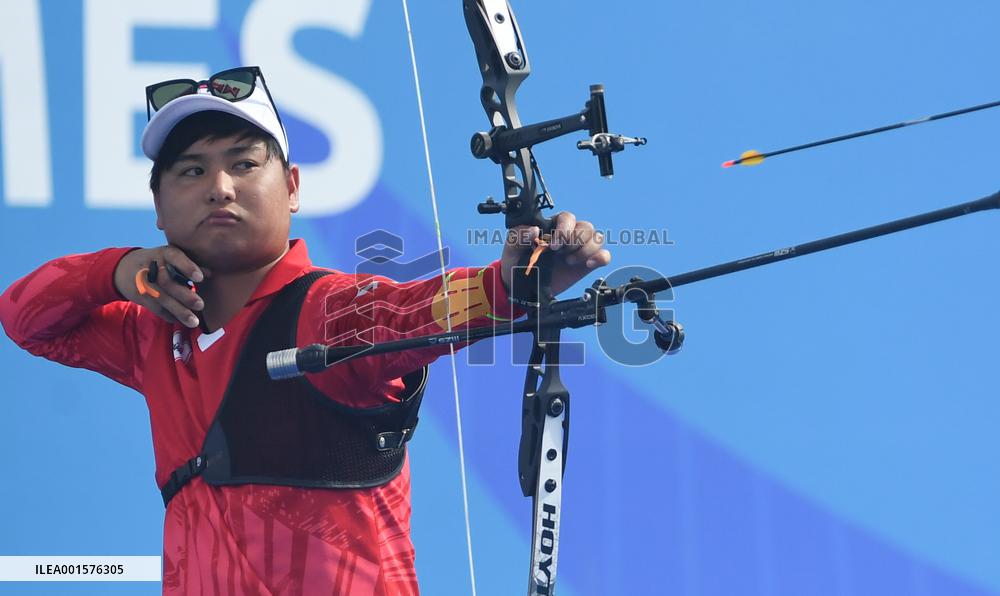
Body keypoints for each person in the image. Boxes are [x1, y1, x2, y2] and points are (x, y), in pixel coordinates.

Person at [0, 66, 610, 594]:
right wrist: (116, 268)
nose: (220, 188)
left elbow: (417, 309)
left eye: (244, 164)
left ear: (291, 187)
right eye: (190, 171)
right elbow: (25, 317)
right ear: (158, 206)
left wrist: (517, 282)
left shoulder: (331, 308)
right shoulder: (153, 337)